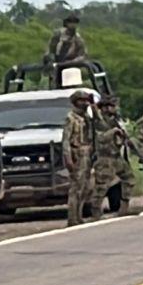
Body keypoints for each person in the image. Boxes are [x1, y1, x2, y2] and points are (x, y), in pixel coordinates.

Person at [90, 96, 131, 218]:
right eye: (112, 106)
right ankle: (96, 210)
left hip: (116, 155)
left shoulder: (114, 120)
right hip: (104, 157)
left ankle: (124, 208)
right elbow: (101, 138)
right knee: (102, 185)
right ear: (105, 108)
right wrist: (113, 131)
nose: (115, 108)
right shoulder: (98, 122)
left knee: (129, 179)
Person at [61, 88, 97, 226]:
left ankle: (79, 215)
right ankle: (72, 217)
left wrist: (93, 105)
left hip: (87, 154)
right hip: (77, 154)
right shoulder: (71, 118)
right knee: (76, 187)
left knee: (85, 187)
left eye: (86, 100)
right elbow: (65, 140)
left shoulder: (86, 117)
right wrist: (68, 158)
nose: (85, 103)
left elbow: (97, 121)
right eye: (82, 101)